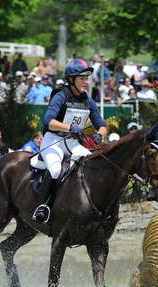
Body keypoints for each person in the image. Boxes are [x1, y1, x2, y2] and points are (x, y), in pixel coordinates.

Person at [32, 59, 107, 223]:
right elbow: (48, 121)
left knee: (92, 165)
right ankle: (42, 206)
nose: (86, 82)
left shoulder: (88, 100)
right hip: (53, 140)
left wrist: (100, 134)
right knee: (55, 170)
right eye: (82, 79)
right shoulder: (61, 95)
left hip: (72, 143)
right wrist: (69, 127)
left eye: (87, 79)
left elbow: (101, 124)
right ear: (72, 79)